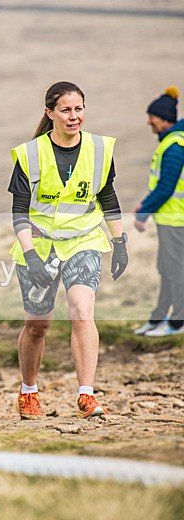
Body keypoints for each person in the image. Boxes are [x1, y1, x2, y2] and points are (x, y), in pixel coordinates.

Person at [8, 81, 128, 420]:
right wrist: (30, 255)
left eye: (78, 109)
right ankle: (29, 391)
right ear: (50, 113)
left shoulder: (100, 149)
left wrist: (119, 241)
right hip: (40, 245)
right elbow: (19, 211)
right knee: (37, 326)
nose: (74, 116)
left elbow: (107, 197)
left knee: (81, 310)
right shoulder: (30, 154)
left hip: (84, 241)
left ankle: (86, 395)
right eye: (65, 110)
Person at [133, 87, 184, 337]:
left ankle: (177, 323)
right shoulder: (170, 143)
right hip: (169, 219)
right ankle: (158, 318)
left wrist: (143, 213)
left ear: (164, 118)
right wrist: (145, 206)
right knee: (166, 269)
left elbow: (166, 188)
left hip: (176, 220)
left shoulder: (174, 147)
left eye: (152, 116)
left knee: (176, 271)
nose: (149, 121)